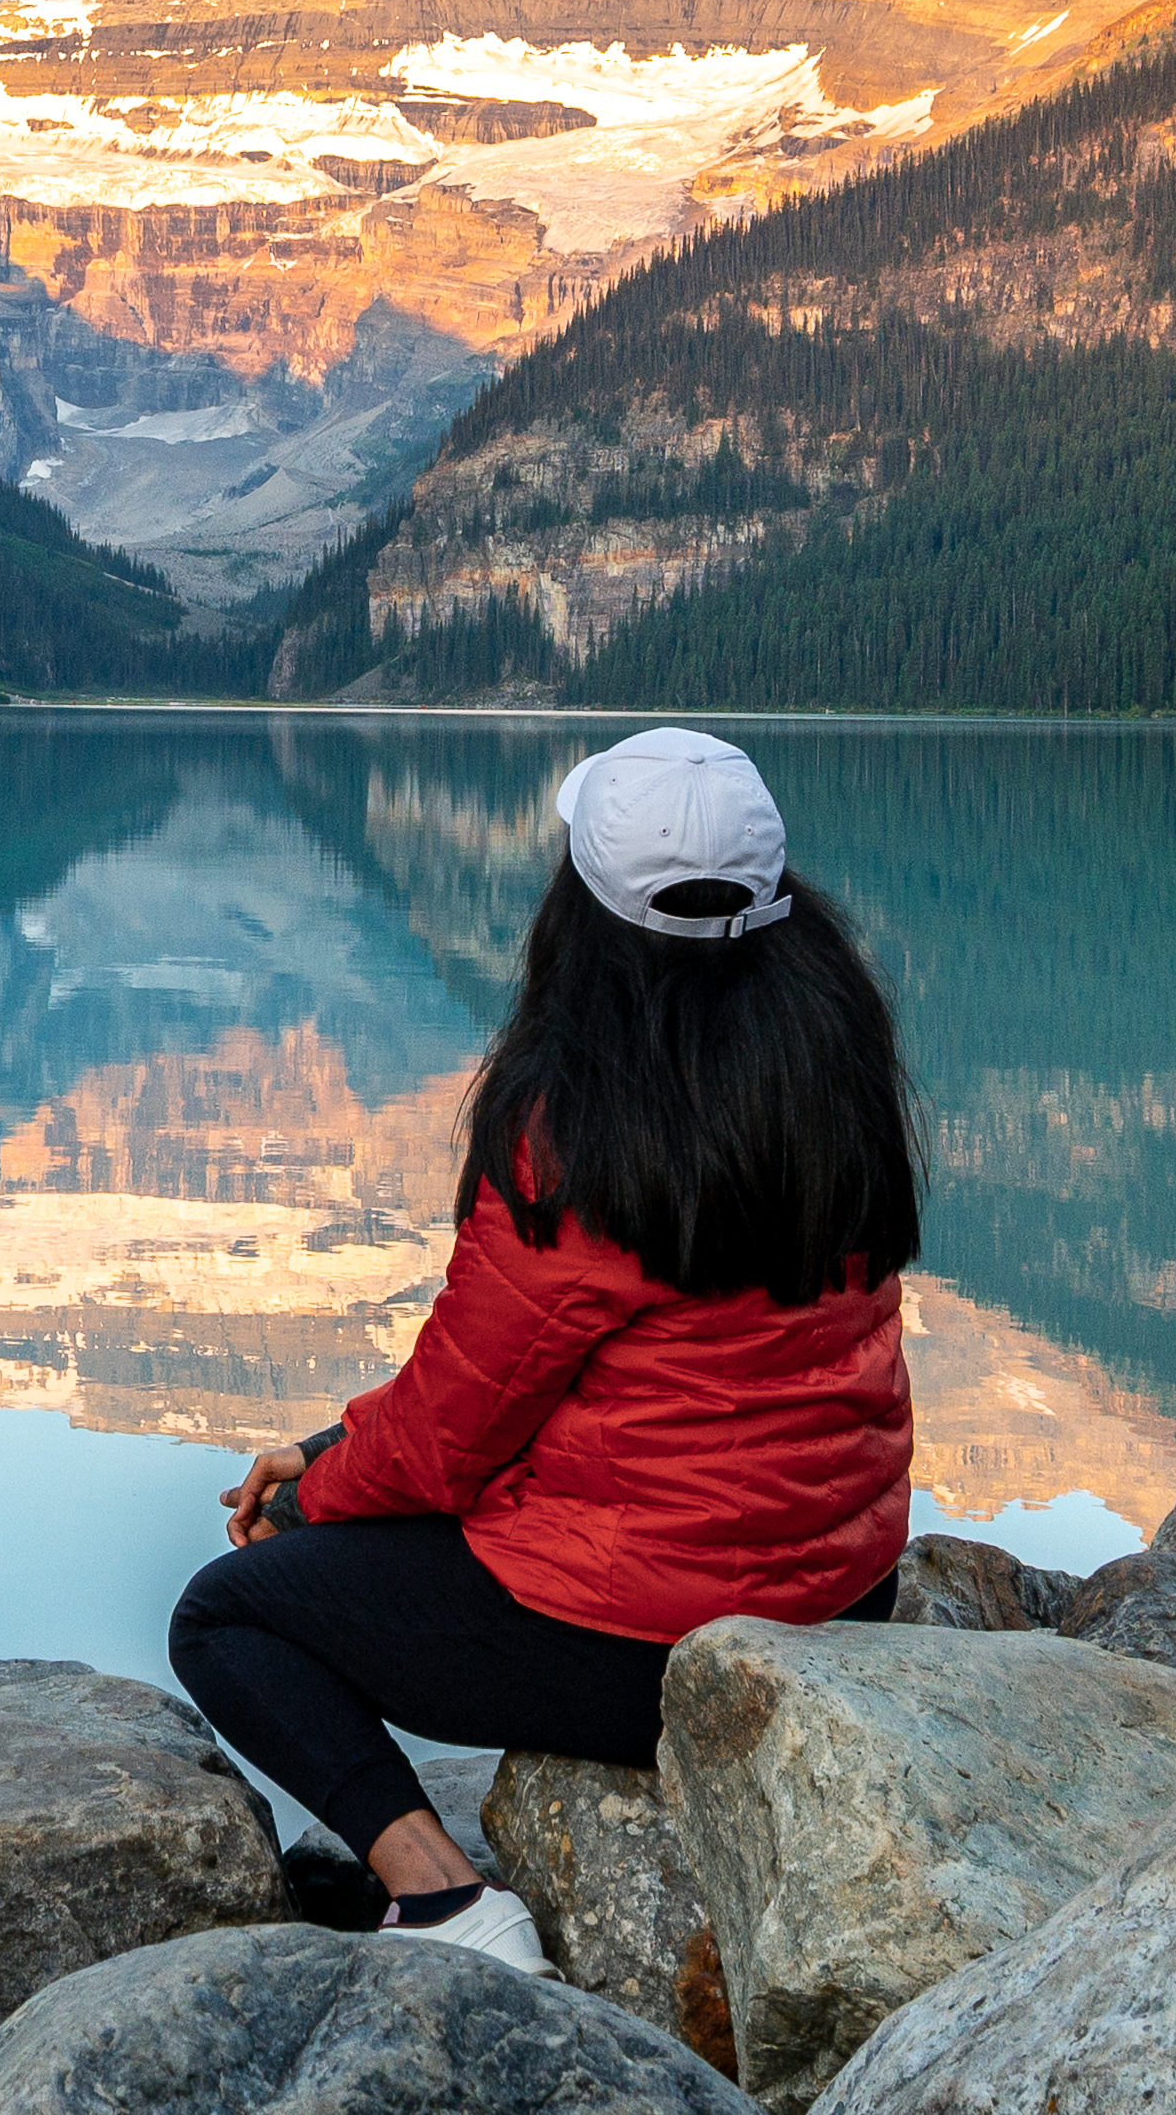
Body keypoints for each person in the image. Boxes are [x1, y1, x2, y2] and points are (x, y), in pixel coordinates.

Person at [170, 725, 921, 1975]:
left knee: (228, 1620)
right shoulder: (830, 1049)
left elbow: (459, 1426)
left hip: (651, 1645)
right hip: (845, 1588)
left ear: (586, 905)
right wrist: (331, 1445)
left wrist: (316, 1491)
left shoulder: (575, 1122)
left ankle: (449, 1900)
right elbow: (606, 1392)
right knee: (345, 1513)